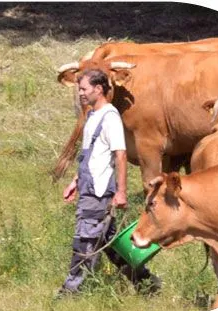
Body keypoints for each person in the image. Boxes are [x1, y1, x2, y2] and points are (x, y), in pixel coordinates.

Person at [57, 69, 161, 296]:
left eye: (83, 89)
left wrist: (121, 192)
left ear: (98, 89)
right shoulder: (93, 116)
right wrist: (75, 180)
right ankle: (147, 283)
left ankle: (70, 292)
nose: (80, 93)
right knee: (112, 246)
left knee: (85, 241)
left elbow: (120, 155)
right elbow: (91, 155)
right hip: (88, 187)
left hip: (99, 192)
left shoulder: (110, 117)